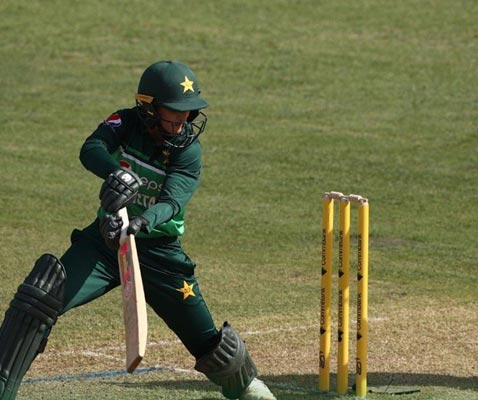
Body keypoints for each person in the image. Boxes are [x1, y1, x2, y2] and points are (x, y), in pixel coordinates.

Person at [0, 60, 276, 400]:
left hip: (161, 254)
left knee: (207, 342)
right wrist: (117, 173)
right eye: (173, 112)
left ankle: (249, 389)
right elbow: (91, 149)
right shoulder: (124, 122)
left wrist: (143, 221)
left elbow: (173, 201)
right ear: (149, 107)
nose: (182, 121)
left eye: (188, 113)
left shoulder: (189, 150)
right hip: (105, 243)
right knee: (40, 298)